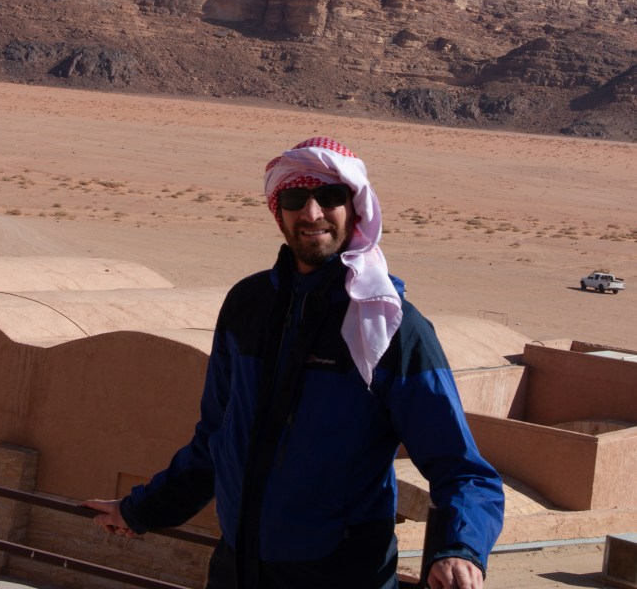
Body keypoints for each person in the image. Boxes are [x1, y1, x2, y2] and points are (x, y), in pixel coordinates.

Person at [85, 137, 504, 588]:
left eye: (329, 197)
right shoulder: (248, 305)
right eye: (294, 199)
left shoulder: (389, 325)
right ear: (278, 211)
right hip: (238, 569)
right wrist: (139, 510)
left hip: (342, 576)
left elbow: (461, 469)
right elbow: (215, 441)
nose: (312, 213)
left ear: (355, 208)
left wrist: (459, 549)